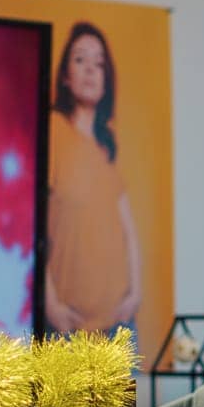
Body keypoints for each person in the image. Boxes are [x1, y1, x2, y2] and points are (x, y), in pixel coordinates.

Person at [45, 22, 143, 335]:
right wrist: (50, 304)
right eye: (80, 59)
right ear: (64, 75)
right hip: (68, 328)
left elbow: (128, 231)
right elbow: (30, 225)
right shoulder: (53, 129)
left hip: (118, 327)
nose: (90, 69)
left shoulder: (106, 146)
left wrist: (135, 294)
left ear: (107, 80)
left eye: (99, 63)